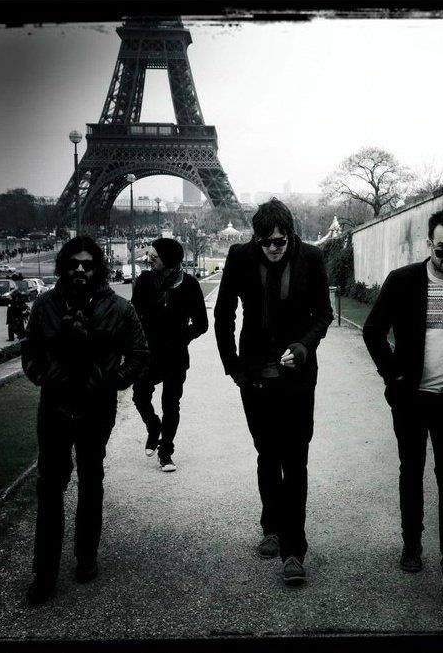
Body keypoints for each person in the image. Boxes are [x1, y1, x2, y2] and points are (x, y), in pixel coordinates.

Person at [363, 208, 443, 611]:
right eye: (442, 250)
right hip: (410, 400)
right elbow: (372, 330)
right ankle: (412, 542)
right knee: (411, 469)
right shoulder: (403, 281)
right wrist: (393, 376)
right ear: (428, 245)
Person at [21, 235, 149, 605]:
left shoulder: (119, 309)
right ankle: (44, 573)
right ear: (64, 266)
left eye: (87, 264)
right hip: (55, 405)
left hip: (96, 407)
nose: (80, 269)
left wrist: (112, 382)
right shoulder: (45, 306)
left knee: (91, 480)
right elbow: (30, 353)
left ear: (98, 268)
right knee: (50, 487)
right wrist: (45, 376)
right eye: (74, 263)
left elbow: (140, 354)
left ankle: (86, 557)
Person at [214, 198, 333, 586]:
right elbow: (223, 313)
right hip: (254, 373)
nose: (272, 248)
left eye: (279, 241)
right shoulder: (240, 256)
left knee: (295, 458)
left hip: (298, 375)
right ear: (256, 238)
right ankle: (271, 525)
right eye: (265, 242)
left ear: (290, 235)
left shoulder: (311, 258)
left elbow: (324, 314)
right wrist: (232, 365)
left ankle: (294, 550)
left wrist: (304, 346)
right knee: (267, 452)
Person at [131, 238, 208, 472]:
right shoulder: (144, 281)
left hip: (175, 355)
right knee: (140, 396)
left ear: (168, 260)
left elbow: (202, 324)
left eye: (154, 257)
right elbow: (133, 316)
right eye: (150, 256)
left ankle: (166, 452)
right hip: (148, 354)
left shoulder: (190, 285)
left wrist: (182, 337)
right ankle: (153, 426)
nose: (149, 260)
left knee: (171, 404)